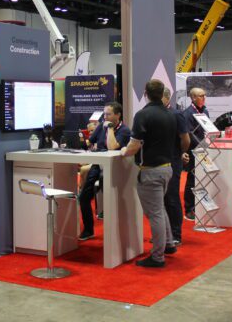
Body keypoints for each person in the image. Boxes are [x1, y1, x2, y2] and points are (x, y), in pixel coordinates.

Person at [122, 79, 177, 268]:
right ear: (162, 93)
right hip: (167, 168)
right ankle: (168, 244)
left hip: (150, 171)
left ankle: (158, 256)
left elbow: (134, 144)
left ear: (145, 93)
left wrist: (124, 152)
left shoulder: (143, 115)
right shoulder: (170, 114)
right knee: (159, 209)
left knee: (154, 213)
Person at [78, 102, 131, 240]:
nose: (105, 117)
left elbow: (112, 147)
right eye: (104, 114)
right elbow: (90, 142)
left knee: (109, 197)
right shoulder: (101, 126)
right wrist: (80, 140)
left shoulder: (124, 130)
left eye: (108, 114)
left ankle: (114, 232)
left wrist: (111, 129)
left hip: (115, 167)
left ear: (118, 115)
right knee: (83, 197)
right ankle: (89, 230)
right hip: (98, 164)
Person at [162, 88, 191, 245]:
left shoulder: (176, 114)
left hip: (173, 161)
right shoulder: (157, 114)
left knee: (172, 198)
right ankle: (164, 234)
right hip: (160, 161)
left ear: (167, 98)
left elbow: (185, 139)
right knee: (162, 200)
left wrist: (180, 153)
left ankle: (175, 234)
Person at [182, 87, 208, 221]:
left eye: (204, 95)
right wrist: (202, 145)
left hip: (204, 150)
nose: (203, 98)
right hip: (193, 151)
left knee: (202, 179)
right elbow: (189, 135)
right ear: (193, 97)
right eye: (200, 96)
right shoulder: (188, 114)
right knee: (192, 180)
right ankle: (189, 209)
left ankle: (200, 205)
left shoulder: (204, 111)